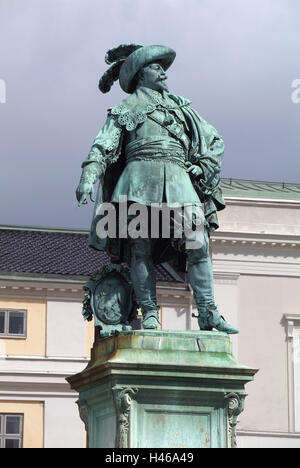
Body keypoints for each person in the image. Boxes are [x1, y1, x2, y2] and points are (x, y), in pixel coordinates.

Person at [76, 44, 238, 334]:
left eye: (163, 67)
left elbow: (215, 140)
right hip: (138, 180)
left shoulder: (181, 108)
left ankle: (209, 311)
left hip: (178, 180)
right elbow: (104, 142)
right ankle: (149, 313)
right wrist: (90, 172)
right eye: (156, 66)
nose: (163, 71)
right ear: (140, 74)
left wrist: (202, 166)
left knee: (197, 241)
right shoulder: (125, 110)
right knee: (142, 248)